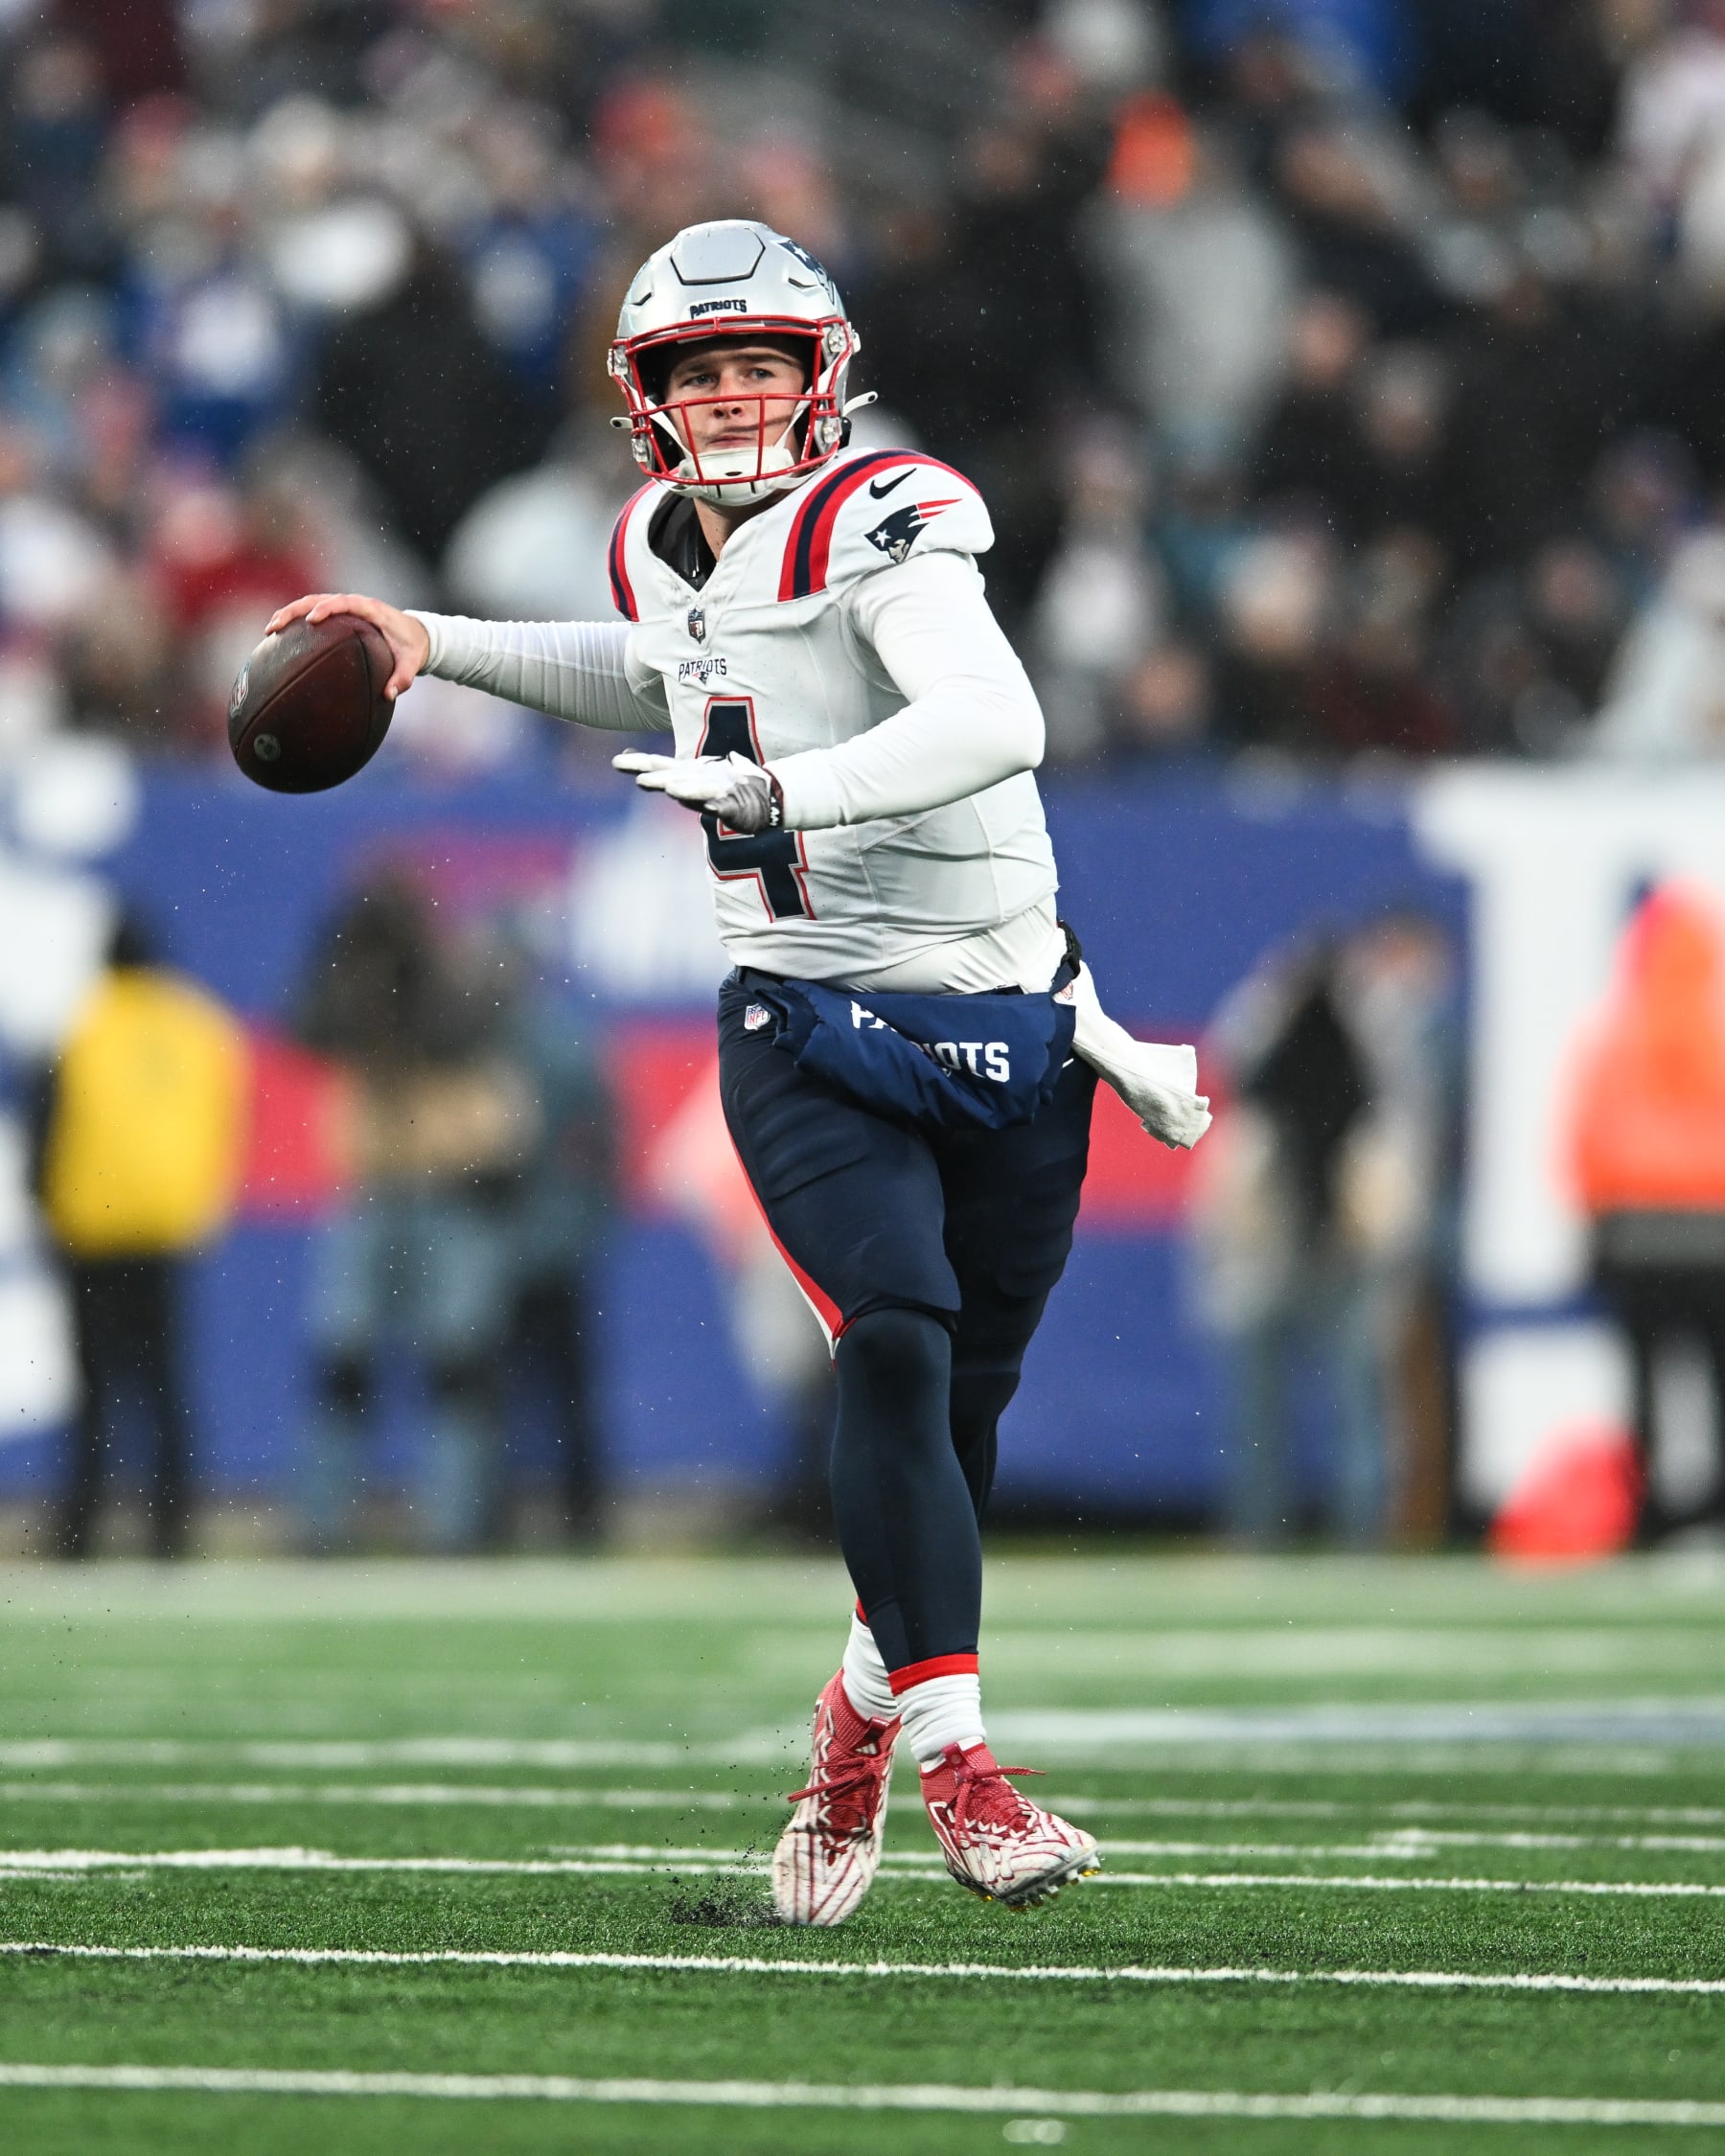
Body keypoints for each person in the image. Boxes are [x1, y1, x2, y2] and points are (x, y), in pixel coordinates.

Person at [266, 219, 1209, 1924]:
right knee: (896, 1343)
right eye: (701, 370)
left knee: (957, 1419)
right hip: (805, 1019)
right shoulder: (656, 543)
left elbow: (999, 721)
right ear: (647, 398)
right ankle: (965, 1775)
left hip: (1005, 1022)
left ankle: (852, 1736)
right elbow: (662, 663)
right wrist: (432, 636)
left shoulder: (893, 517)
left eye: (763, 362)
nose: (735, 395)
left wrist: (796, 798)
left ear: (825, 374)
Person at [31, 914, 246, 1559]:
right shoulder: (197, 1027)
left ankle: (82, 1531)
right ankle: (171, 1530)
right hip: (166, 1231)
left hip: (92, 1232)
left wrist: (47, 1206)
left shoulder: (85, 1028)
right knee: (166, 1387)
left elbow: (49, 1129)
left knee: (96, 1392)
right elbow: (223, 1121)